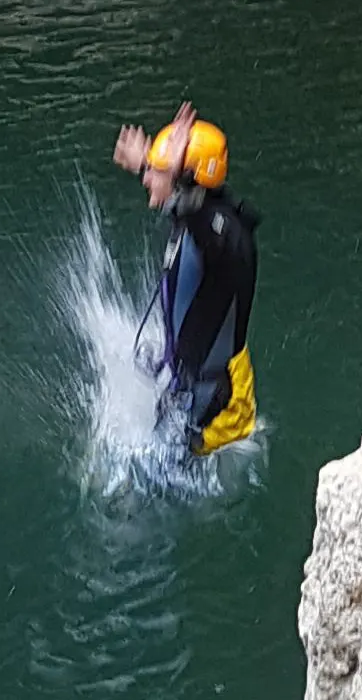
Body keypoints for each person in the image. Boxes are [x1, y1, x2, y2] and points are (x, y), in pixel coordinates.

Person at [111, 100, 259, 454]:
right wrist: (150, 164)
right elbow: (188, 206)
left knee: (152, 487)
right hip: (191, 382)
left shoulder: (225, 235)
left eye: (158, 172)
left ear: (186, 181)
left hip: (218, 410)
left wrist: (176, 174)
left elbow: (212, 230)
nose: (147, 179)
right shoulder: (194, 213)